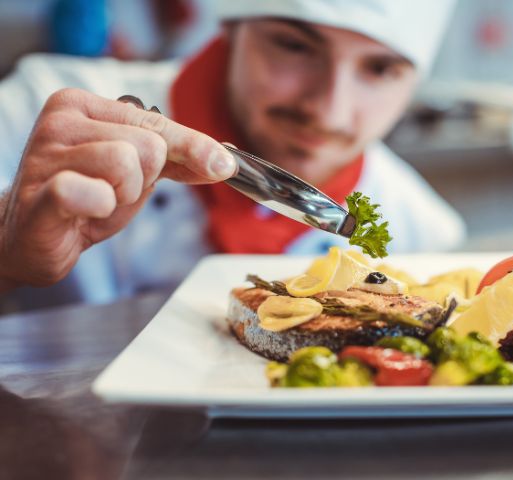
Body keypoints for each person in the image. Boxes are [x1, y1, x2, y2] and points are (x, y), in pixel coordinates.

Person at [0, 0, 465, 310]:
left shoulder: (421, 235)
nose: (329, 111)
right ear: (233, 31)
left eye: (381, 69)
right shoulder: (37, 113)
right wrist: (7, 252)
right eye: (294, 45)